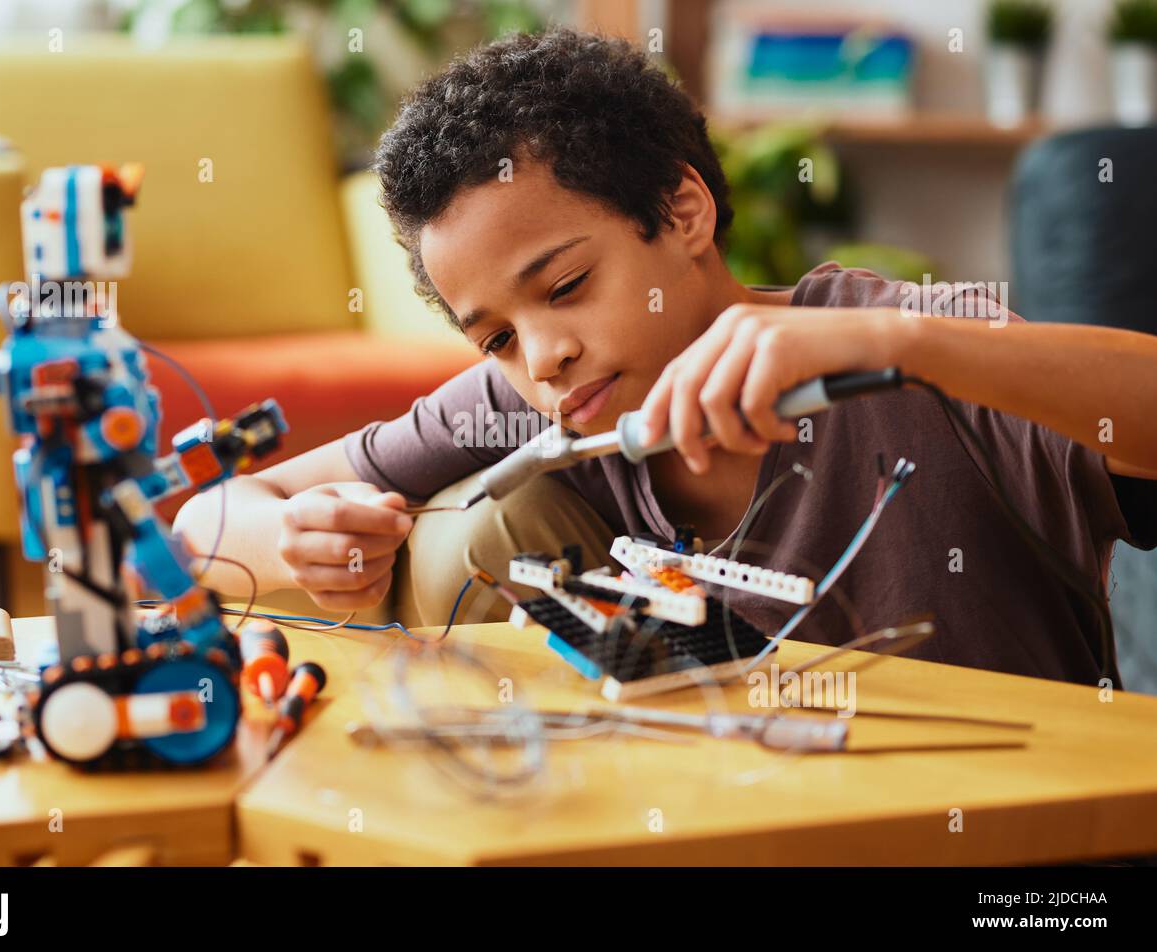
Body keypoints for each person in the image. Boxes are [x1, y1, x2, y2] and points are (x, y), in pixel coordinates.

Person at [175, 29, 1157, 686]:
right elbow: (206, 514)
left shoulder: (910, 348)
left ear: (682, 211)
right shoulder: (533, 404)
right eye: (497, 337)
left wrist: (903, 344)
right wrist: (298, 538)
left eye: (564, 288)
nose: (545, 356)